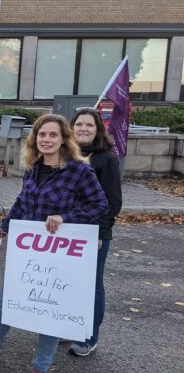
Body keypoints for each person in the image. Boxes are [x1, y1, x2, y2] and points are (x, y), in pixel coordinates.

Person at [0, 114, 107, 373]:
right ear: (34, 139)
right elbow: (22, 204)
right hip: (27, 253)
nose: (46, 140)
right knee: (7, 305)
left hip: (58, 255)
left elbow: (100, 205)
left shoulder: (79, 171)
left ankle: (40, 370)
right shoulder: (33, 169)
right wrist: (4, 227)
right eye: (41, 135)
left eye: (52, 135)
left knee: (49, 312)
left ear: (64, 139)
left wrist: (65, 217)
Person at [68, 108, 122, 356]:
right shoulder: (67, 155)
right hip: (67, 230)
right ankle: (66, 327)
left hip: (93, 234)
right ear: (72, 127)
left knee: (92, 286)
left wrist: (101, 232)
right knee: (68, 283)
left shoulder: (106, 160)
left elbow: (112, 201)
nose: (83, 129)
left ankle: (90, 335)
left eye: (89, 125)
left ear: (98, 129)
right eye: (79, 124)